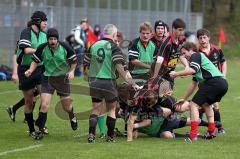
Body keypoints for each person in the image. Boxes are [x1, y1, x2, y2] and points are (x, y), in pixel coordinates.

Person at [83, 24, 139, 143]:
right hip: (108, 82)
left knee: (95, 109)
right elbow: (119, 67)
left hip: (94, 81)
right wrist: (130, 82)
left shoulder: (93, 45)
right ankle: (110, 137)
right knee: (111, 110)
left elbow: (86, 64)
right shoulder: (114, 47)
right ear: (114, 34)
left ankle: (91, 135)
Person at [25, 28, 78, 140]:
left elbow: (74, 61)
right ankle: (41, 130)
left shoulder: (65, 47)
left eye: (54, 39)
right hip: (47, 78)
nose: (52, 41)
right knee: (44, 104)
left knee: (66, 106)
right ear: (47, 39)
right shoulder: (42, 48)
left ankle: (72, 116)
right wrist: (30, 70)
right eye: (50, 39)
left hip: (62, 78)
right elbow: (35, 61)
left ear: (57, 39)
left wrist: (71, 71)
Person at [169, 42, 228, 141]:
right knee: (206, 105)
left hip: (214, 82)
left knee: (193, 105)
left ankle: (193, 136)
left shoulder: (195, 55)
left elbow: (191, 70)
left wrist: (176, 74)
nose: (183, 56)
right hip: (222, 84)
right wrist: (184, 98)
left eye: (184, 53)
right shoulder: (199, 63)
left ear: (191, 50)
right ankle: (211, 131)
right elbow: (193, 84)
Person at [17, 11, 47, 138]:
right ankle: (31, 130)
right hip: (25, 69)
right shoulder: (26, 32)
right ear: (38, 21)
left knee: (45, 98)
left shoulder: (44, 35)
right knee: (29, 102)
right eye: (44, 21)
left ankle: (41, 125)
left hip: (40, 69)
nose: (46, 23)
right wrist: (40, 50)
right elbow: (27, 50)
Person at [197, 28, 227, 134]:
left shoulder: (217, 50)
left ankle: (219, 127)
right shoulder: (197, 53)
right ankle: (215, 126)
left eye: (204, 37)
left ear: (208, 38)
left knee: (214, 105)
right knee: (207, 105)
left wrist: (223, 75)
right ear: (198, 40)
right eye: (200, 38)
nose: (203, 40)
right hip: (203, 83)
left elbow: (223, 62)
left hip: (217, 82)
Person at [152, 18, 188, 88]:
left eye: (182, 30)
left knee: (166, 96)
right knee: (164, 97)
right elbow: (159, 59)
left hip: (171, 73)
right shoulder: (166, 42)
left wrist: (186, 67)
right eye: (180, 30)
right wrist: (155, 77)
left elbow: (181, 55)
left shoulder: (181, 40)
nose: (182, 32)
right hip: (161, 74)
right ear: (173, 29)